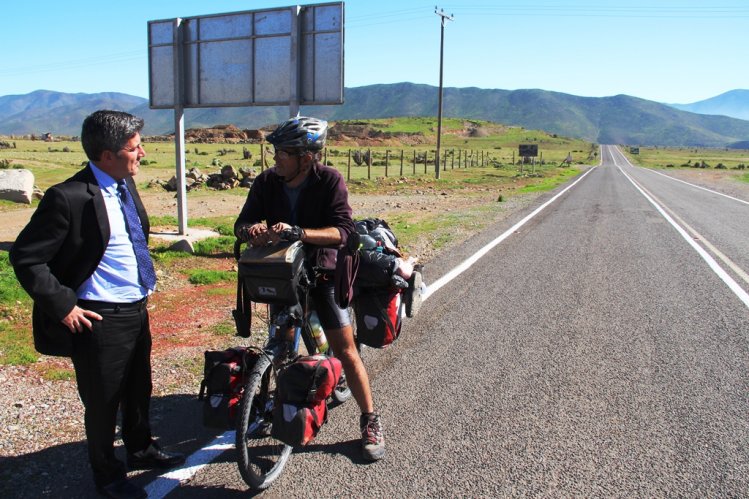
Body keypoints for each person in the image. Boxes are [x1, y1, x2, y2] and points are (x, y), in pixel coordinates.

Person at [10, 110, 185, 499]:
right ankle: (107, 476)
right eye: (135, 148)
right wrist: (63, 305)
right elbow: (26, 257)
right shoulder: (67, 197)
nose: (142, 154)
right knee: (104, 402)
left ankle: (140, 447)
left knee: (140, 388)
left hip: (136, 308)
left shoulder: (124, 184)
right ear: (107, 154)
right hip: (98, 316)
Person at [234, 116, 385, 461]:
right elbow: (241, 223)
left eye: (282, 153)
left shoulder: (329, 180)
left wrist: (299, 232)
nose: (275, 159)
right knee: (281, 343)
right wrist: (251, 230)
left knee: (345, 350)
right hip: (284, 274)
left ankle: (370, 419)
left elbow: (344, 232)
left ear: (305, 157)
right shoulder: (266, 182)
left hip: (322, 276)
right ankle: (272, 404)